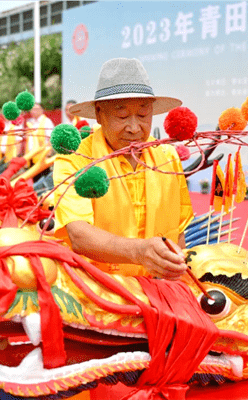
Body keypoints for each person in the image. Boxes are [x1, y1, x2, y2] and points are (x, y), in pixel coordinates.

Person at [53, 58, 193, 279]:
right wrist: (139, 252)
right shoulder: (76, 159)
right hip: (96, 289)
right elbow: (79, 234)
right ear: (99, 114)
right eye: (122, 115)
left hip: (158, 288)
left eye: (143, 114)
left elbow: (178, 232)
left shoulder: (168, 157)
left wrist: (175, 273)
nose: (134, 127)